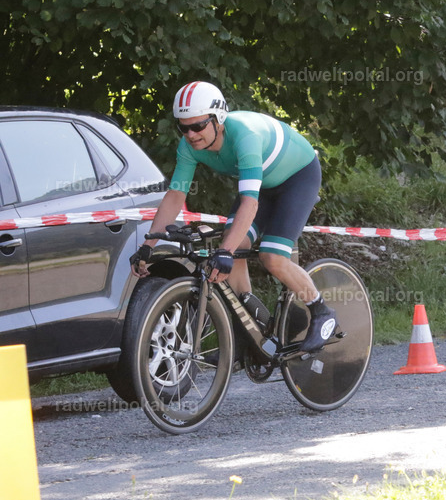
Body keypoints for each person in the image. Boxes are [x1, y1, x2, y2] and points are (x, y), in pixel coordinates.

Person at [131, 81, 337, 353]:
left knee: (272, 257)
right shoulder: (188, 146)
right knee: (234, 250)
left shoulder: (245, 136)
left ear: (218, 120)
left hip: (297, 178)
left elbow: (249, 202)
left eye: (198, 126)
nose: (191, 135)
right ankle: (249, 332)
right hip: (262, 185)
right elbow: (175, 196)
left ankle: (321, 311)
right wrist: (148, 245)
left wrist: (225, 250)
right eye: (183, 127)